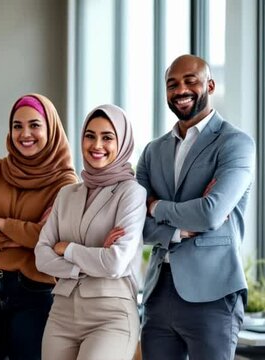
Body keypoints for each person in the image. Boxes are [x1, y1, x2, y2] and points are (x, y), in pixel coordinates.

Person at [137, 54, 255, 360]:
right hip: (158, 294)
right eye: (172, 84)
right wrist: (177, 230)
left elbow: (210, 213)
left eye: (191, 81)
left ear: (210, 85)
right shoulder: (152, 151)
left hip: (213, 295)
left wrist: (156, 207)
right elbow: (134, 220)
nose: (181, 90)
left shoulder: (235, 143)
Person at [0, 94, 76, 359]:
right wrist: (21, 237)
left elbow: (47, 237)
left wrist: (1, 223)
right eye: (17, 126)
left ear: (51, 128)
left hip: (34, 293)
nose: (25, 134)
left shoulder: (65, 182)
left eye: (35, 125)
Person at [34, 104, 146, 360]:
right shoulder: (67, 193)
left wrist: (67, 249)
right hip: (61, 312)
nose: (97, 145)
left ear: (123, 142)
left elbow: (115, 263)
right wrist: (91, 259)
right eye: (90, 135)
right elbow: (41, 257)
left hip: (111, 315)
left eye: (107, 137)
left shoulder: (131, 193)